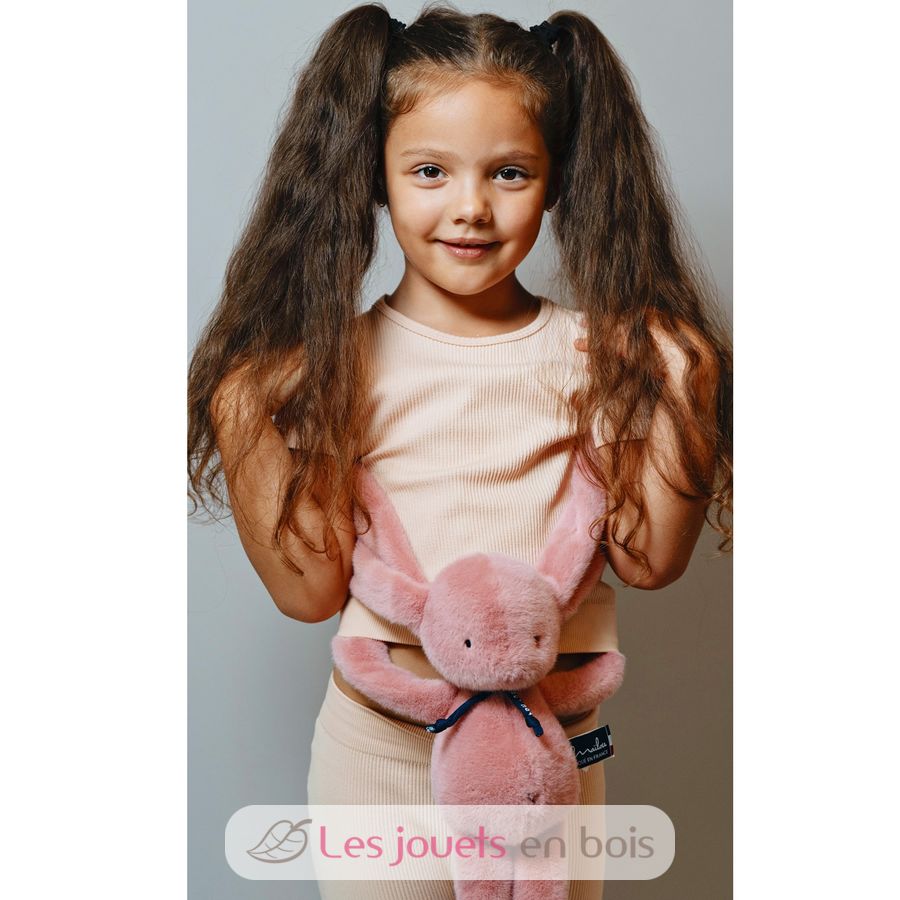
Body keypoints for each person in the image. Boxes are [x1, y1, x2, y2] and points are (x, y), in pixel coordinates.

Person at [188, 4, 732, 898]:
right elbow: (308, 592)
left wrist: (683, 387)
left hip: (550, 749)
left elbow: (651, 561)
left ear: (557, 180)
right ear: (375, 176)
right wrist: (244, 413)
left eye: (510, 172)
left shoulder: (601, 357)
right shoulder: (331, 367)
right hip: (381, 754)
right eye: (430, 171)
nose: (471, 207)